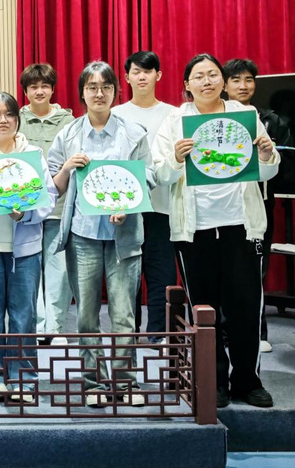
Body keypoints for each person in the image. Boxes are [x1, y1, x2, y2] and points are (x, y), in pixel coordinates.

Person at [153, 54, 279, 408]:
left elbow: (267, 171)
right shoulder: (175, 121)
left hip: (242, 225)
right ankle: (214, 380)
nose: (206, 81)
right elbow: (159, 174)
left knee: (245, 305)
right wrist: (176, 158)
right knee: (204, 308)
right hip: (194, 230)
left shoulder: (245, 115)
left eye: (212, 75)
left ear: (223, 82)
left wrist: (266, 155)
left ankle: (248, 380)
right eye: (198, 76)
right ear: (187, 85)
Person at [47, 61, 153, 408]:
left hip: (124, 235)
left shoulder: (133, 133)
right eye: (91, 87)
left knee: (123, 314)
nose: (99, 93)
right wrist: (67, 167)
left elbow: (148, 175)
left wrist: (129, 204)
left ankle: (125, 381)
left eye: (106, 87)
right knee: (87, 315)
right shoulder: (68, 135)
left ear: (115, 91)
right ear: (82, 93)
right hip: (82, 235)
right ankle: (93, 381)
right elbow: (53, 186)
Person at [0, 92, 57, 402]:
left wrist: (24, 214)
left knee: (23, 316)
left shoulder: (32, 154)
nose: (2, 120)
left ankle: (23, 380)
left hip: (25, 249)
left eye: (8, 114)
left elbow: (48, 198)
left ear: (18, 120)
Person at [223, 58, 294, 353]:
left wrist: (267, 157)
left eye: (249, 79)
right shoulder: (214, 119)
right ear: (224, 85)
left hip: (260, 203)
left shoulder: (270, 120)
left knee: (256, 269)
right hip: (222, 205)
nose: (243, 86)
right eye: (236, 80)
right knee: (223, 270)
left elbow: (287, 162)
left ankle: (258, 331)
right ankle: (222, 332)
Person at [111, 51, 177, 342]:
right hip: (126, 208)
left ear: (158, 75)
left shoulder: (173, 114)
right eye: (136, 72)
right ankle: (129, 330)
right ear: (126, 78)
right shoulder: (116, 115)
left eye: (147, 71)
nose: (141, 77)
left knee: (161, 271)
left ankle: (158, 332)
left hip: (162, 205)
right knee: (127, 273)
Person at [17, 63, 75, 346]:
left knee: (58, 270)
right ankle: (37, 326)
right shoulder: (15, 119)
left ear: (52, 89)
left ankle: (55, 328)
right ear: (25, 91)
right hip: (25, 211)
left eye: (44, 86)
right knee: (29, 269)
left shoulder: (69, 122)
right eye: (33, 87)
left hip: (59, 208)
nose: (39, 91)